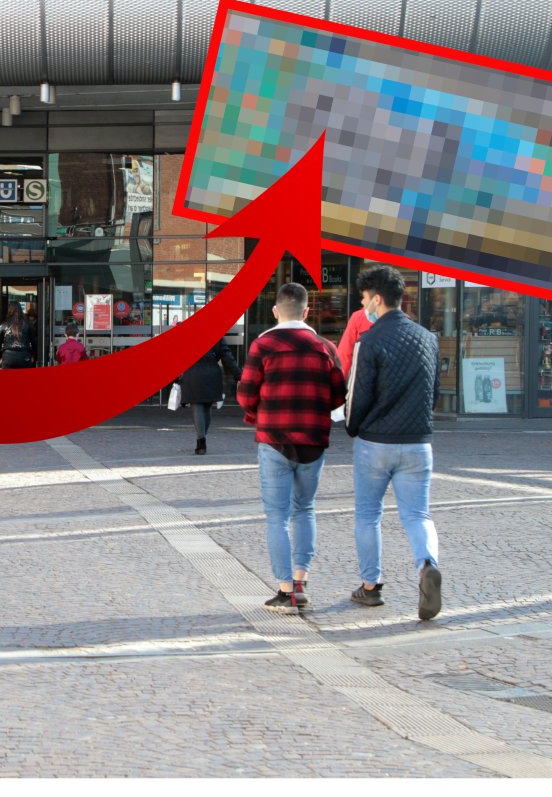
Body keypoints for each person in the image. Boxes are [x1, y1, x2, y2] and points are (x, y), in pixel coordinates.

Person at [236, 283, 346, 613]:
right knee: (305, 509)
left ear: (275, 311)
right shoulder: (325, 346)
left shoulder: (263, 344)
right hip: (313, 439)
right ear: (307, 311)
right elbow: (339, 395)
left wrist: (258, 414)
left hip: (274, 440)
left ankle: (285, 591)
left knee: (277, 517)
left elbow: (245, 393)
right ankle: (301, 580)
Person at [345, 265, 444, 621]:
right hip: (418, 442)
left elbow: (357, 394)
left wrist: (352, 427)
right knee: (418, 514)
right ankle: (427, 564)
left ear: (377, 298)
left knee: (368, 515)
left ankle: (371, 587)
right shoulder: (428, 339)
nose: (363, 304)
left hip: (376, 442)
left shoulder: (369, 340)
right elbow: (433, 393)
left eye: (364, 298)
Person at [178, 339, 241, 455]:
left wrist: (176, 378)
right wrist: (238, 374)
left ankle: (201, 440)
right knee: (207, 406)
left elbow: (177, 354)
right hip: (212, 372)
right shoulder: (216, 333)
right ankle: (202, 437)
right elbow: (227, 356)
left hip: (192, 373)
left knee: (197, 405)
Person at [0, 302, 34, 369]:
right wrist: (33, 356)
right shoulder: (28, 324)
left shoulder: (3, 325)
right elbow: (34, 343)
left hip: (8, 357)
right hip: (24, 356)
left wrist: (0, 357)